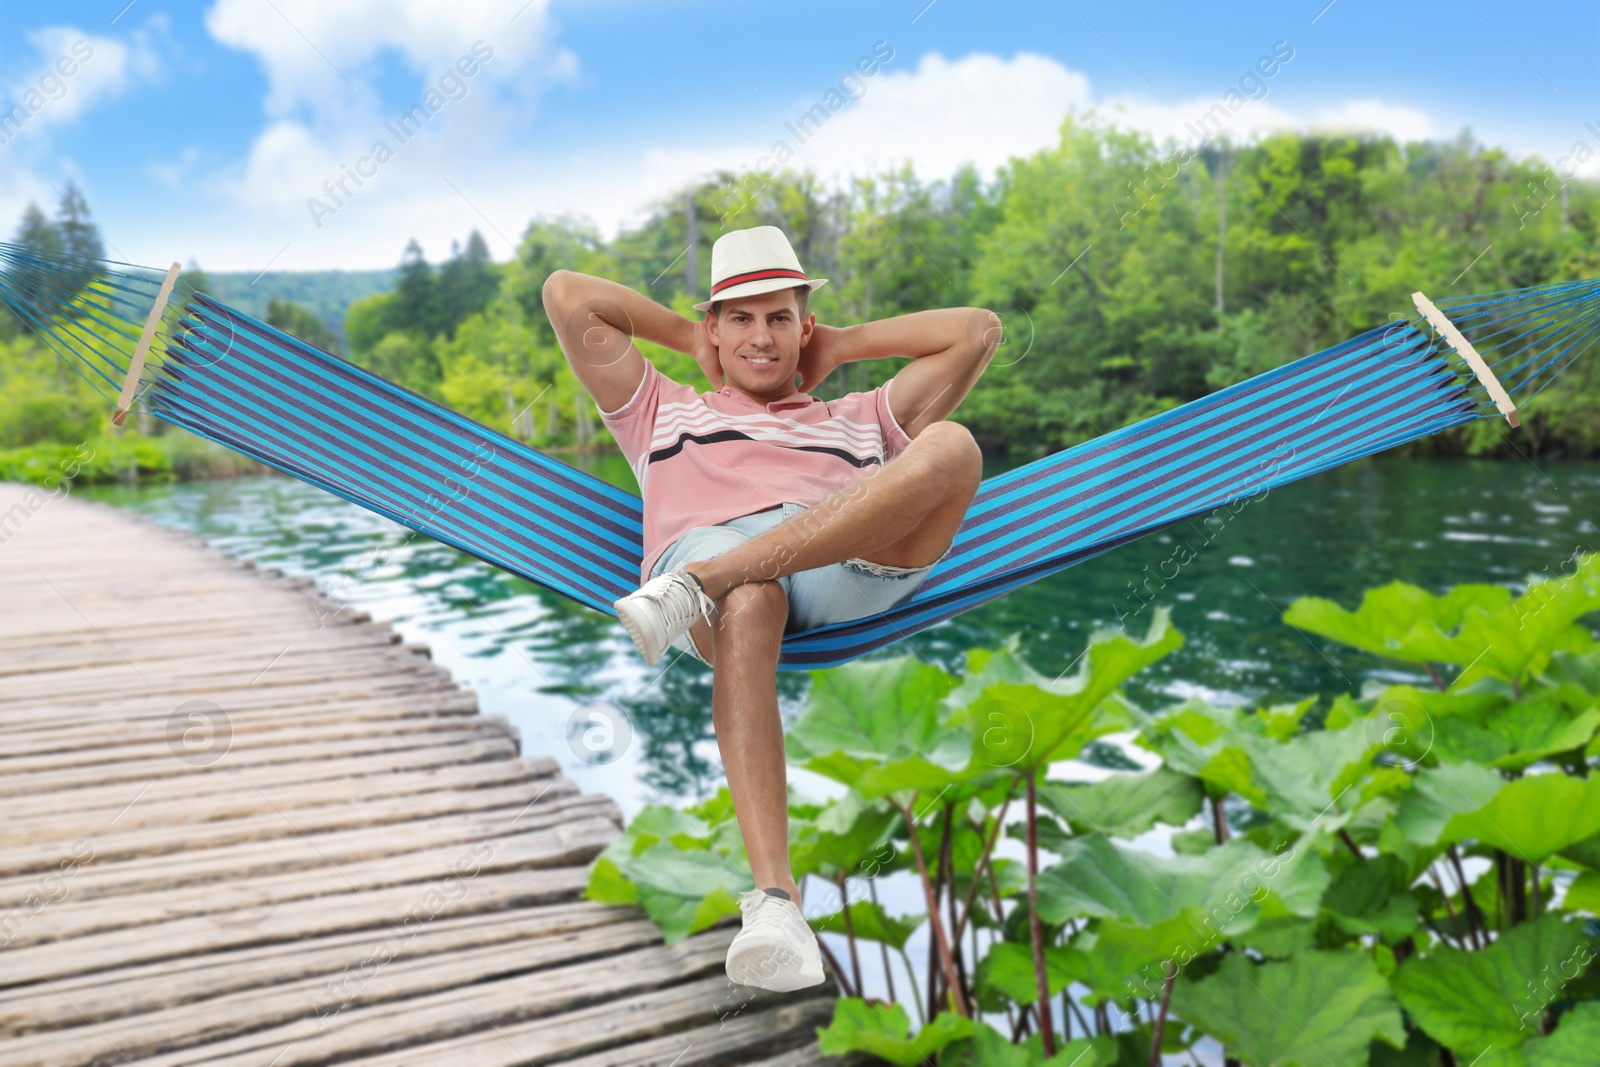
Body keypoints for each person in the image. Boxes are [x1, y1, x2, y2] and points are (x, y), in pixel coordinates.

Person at [541, 224, 996, 992]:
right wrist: (691, 337)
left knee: (952, 445)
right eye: (740, 317)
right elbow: (566, 294)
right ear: (716, 327)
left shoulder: (858, 416)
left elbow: (978, 332)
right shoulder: (659, 410)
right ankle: (776, 903)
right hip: (728, 597)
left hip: (838, 566)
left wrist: (842, 345)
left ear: (803, 328)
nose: (761, 335)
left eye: (779, 316)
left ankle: (709, 579)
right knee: (753, 600)